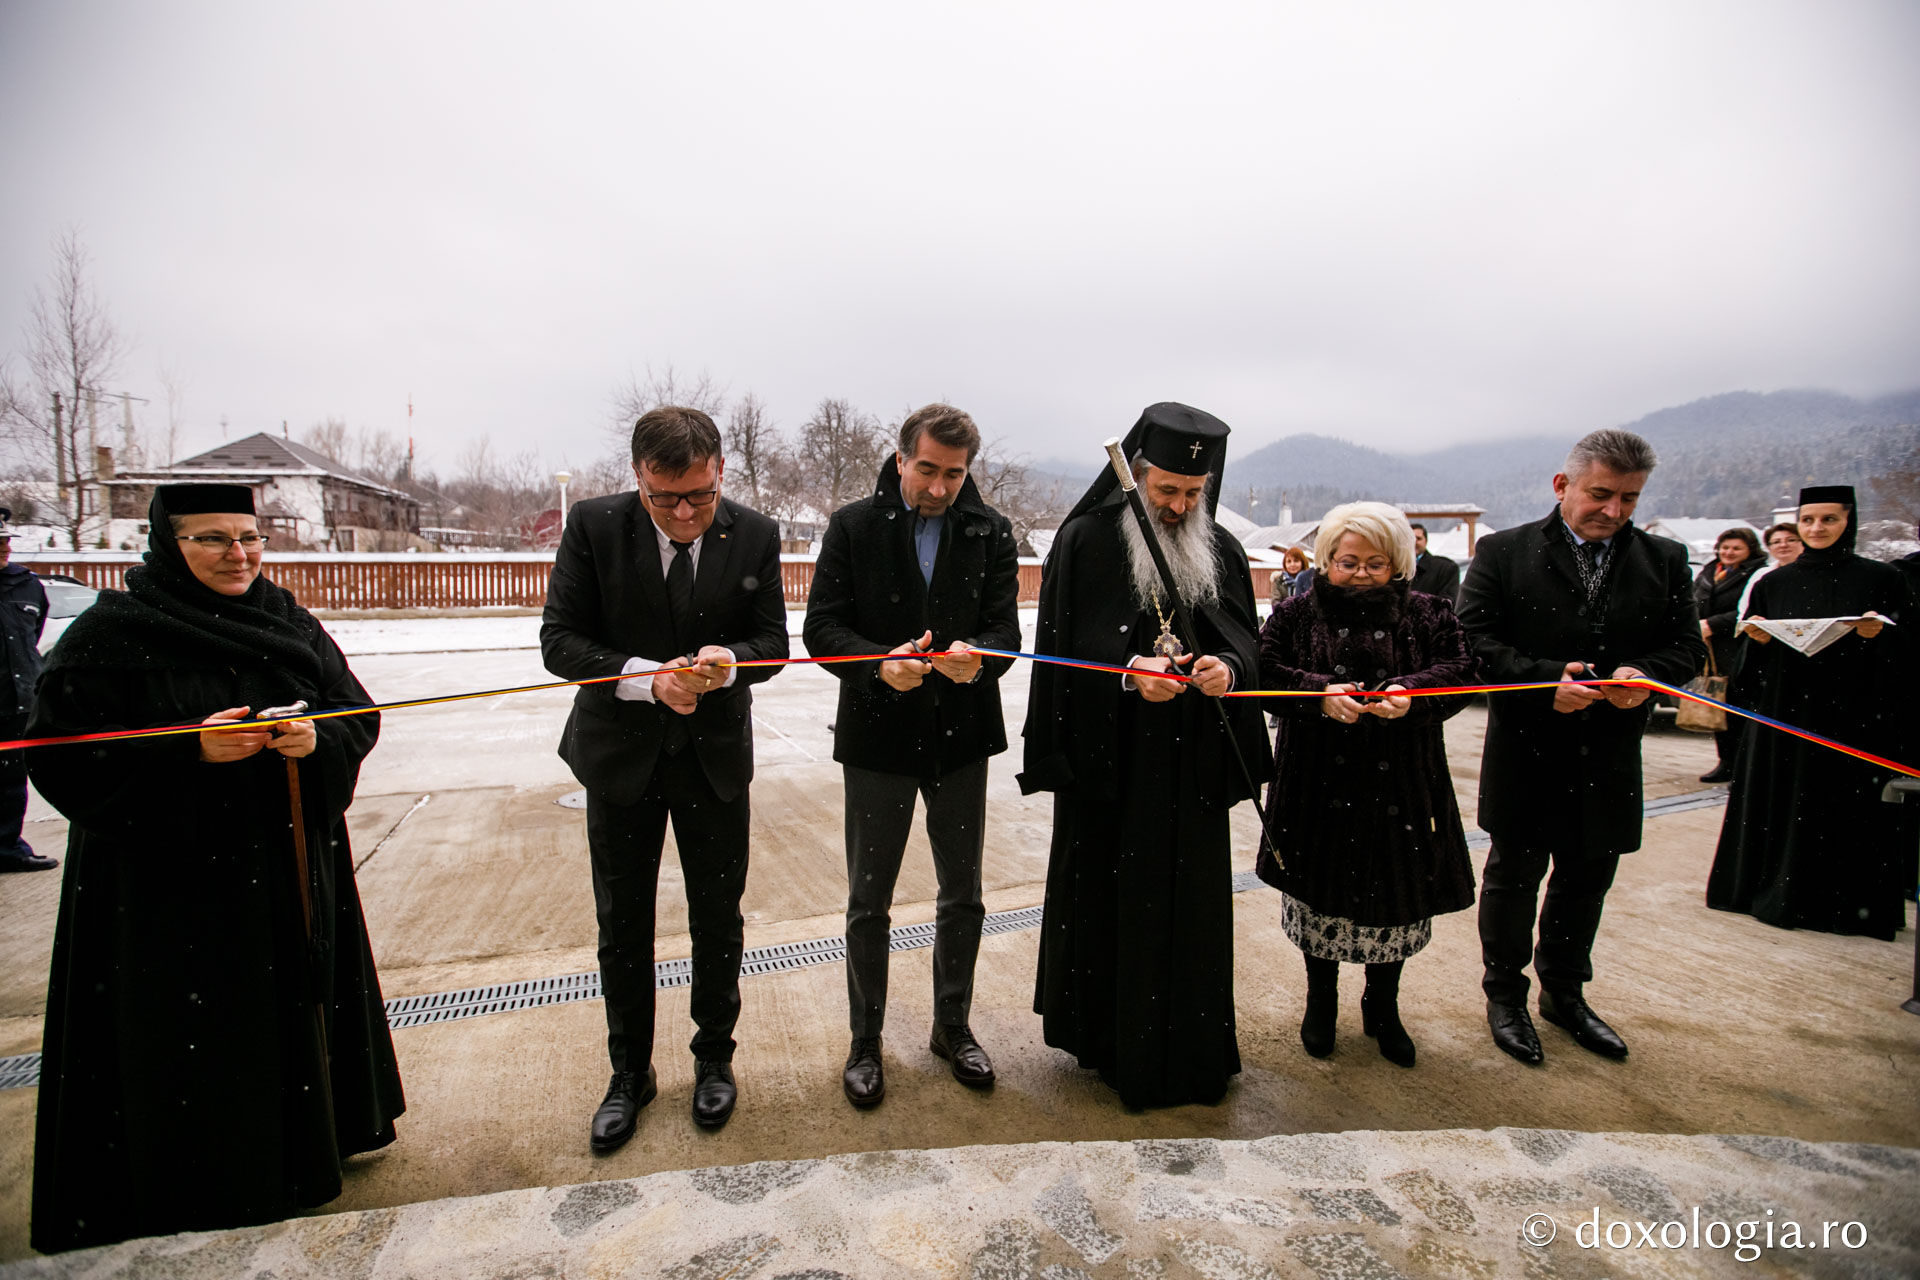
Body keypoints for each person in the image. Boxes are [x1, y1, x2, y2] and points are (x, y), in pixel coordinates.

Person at [25, 483, 402, 1253]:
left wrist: (316, 739)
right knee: (194, 1038)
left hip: (284, 869)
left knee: (285, 1015)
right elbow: (59, 756)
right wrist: (187, 749)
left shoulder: (284, 618)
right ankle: (206, 1175)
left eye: (250, 537)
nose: (240, 554)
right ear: (169, 545)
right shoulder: (112, 636)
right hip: (167, 891)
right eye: (213, 539)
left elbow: (353, 712)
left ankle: (299, 1155)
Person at [541, 406, 788, 1146]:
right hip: (621, 758)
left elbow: (773, 644)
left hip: (714, 761)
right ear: (637, 477)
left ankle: (714, 1059)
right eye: (664, 498)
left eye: (700, 496)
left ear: (721, 472)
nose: (684, 514)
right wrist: (647, 679)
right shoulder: (593, 525)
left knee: (718, 919)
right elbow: (560, 641)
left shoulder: (755, 533)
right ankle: (630, 1073)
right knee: (623, 924)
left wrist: (730, 663)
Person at [1020, 402, 1272, 1108]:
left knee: (1189, 912)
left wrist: (1229, 669)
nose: (1179, 506)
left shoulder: (1220, 547)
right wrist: (1127, 672)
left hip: (1190, 767)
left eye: (1193, 493)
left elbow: (1245, 641)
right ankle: (1110, 1043)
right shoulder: (1086, 540)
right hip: (1113, 762)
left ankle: (1191, 1050)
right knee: (1111, 904)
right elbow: (1061, 653)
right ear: (1135, 473)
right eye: (1166, 490)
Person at [1458, 429, 1704, 1066]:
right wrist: (1544, 682)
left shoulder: (1664, 559)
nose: (1614, 510)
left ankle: (1565, 994)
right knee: (1514, 878)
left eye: (1629, 498)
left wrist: (1646, 676)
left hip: (1611, 753)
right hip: (1527, 748)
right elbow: (1473, 641)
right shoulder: (1504, 551)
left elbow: (1687, 647)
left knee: (1587, 879)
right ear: (1562, 485)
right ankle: (1505, 996)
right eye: (1600, 494)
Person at [803, 404, 1022, 1107]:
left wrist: (978, 657)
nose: (937, 487)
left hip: (962, 735)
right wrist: (877, 664)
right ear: (900, 459)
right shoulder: (852, 526)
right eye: (926, 469)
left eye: (953, 474)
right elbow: (821, 628)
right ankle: (865, 1040)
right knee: (869, 899)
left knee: (964, 893)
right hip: (878, 737)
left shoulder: (990, 531)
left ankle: (951, 1027)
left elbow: (1006, 634)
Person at [1257, 502, 1476, 1068]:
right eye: (1348, 562)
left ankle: (1383, 1004)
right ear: (1326, 558)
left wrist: (1411, 693)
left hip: (1402, 783)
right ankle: (1321, 1001)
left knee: (1396, 897)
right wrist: (1318, 693)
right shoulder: (1295, 614)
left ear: (1399, 563)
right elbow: (1265, 670)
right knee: (1320, 895)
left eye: (1376, 564)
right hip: (1316, 781)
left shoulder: (1430, 613)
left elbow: (1462, 671)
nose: (1360, 574)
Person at [1706, 486, 1914, 939]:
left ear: (1848, 521)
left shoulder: (1882, 578)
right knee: (1782, 802)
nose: (1816, 528)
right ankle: (1773, 891)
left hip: (1853, 715)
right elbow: (1748, 668)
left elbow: (1907, 653)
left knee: (1844, 808)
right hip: (1783, 713)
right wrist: (1757, 642)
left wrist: (1881, 637)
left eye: (1828, 519)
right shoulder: (1773, 583)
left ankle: (1841, 905)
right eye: (1808, 520)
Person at [0, 508, 54, 872]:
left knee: (10, 782)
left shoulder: (27, 585)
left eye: (5, 540)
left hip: (16, 701)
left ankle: (7, 848)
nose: (5, 548)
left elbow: (31, 635)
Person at [1691, 526, 1764, 783]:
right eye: (1725, 547)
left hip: (1737, 646)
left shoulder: (1756, 573)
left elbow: (1747, 610)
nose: (1729, 552)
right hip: (1710, 649)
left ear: (1749, 550)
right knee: (1719, 708)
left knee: (1740, 709)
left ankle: (1743, 765)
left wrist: (1713, 624)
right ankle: (1726, 761)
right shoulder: (1710, 571)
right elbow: (1692, 600)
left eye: (1736, 548)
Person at [1734, 522, 1803, 623]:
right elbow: (1744, 609)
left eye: (1791, 540)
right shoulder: (1761, 574)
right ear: (1769, 548)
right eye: (1776, 542)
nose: (1783, 545)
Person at [1409, 523, 1461, 603]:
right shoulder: (1393, 568)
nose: (1414, 542)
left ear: (1426, 541)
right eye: (1410, 539)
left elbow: (1448, 601)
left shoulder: (1445, 569)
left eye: (1418, 538)